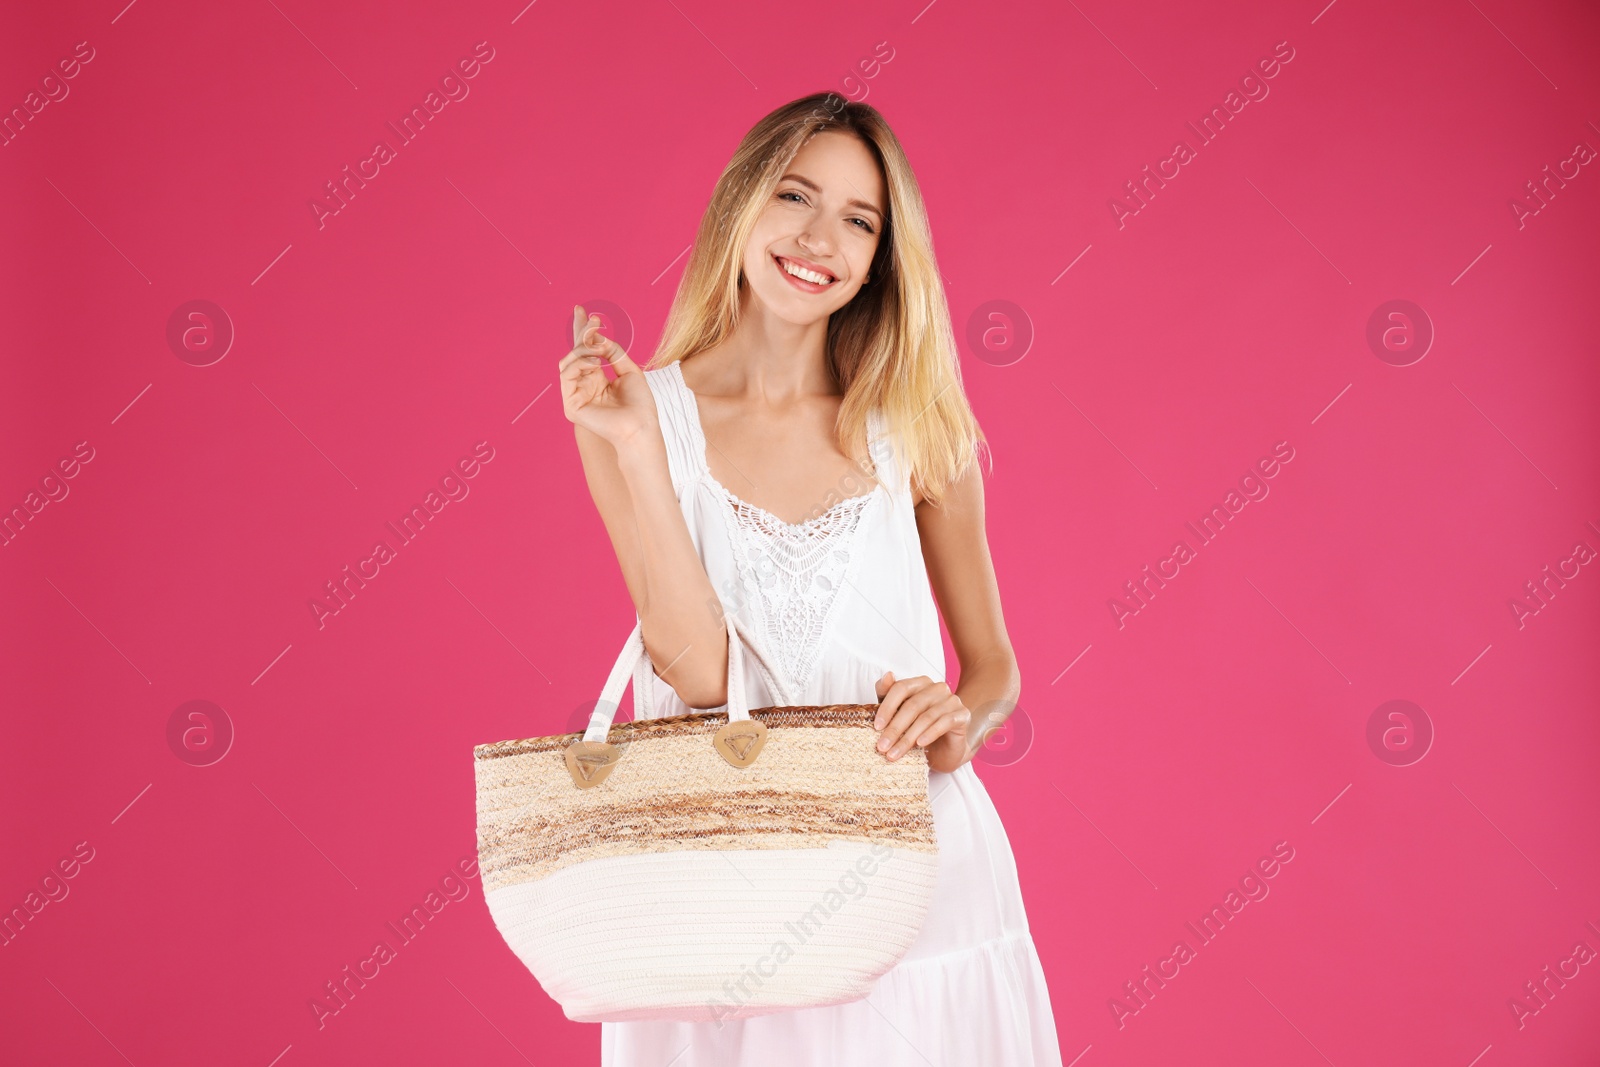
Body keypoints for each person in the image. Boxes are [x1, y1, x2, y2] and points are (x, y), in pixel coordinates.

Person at [558, 91, 1063, 1067]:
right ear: (741, 204)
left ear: (880, 257)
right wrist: (633, 444)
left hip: (909, 873)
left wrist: (957, 724)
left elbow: (993, 667)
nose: (818, 237)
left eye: (859, 219)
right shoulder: (633, 409)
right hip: (716, 882)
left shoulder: (917, 420)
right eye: (795, 195)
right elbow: (694, 667)